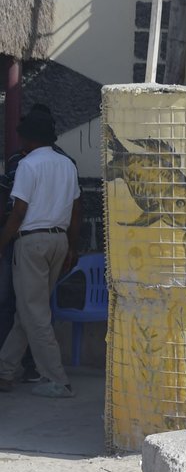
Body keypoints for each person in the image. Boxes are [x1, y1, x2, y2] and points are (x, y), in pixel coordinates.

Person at [0, 107, 81, 396]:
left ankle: (57, 379)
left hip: (31, 242)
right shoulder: (66, 164)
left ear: (27, 139)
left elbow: (18, 211)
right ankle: (5, 371)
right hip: (58, 242)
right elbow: (75, 211)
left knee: (34, 313)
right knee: (29, 312)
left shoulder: (28, 165)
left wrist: (1, 243)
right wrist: (73, 246)